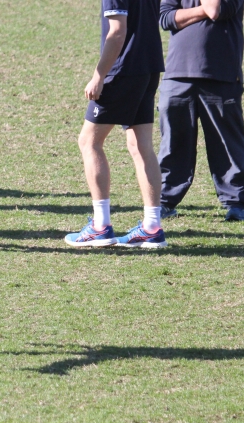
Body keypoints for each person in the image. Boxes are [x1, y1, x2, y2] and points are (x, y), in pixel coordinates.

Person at [64, 0, 168, 248]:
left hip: (123, 70)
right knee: (140, 145)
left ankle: (100, 227)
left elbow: (117, 31)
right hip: (149, 67)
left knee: (89, 142)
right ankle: (152, 227)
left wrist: (98, 76)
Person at [158, 0, 244, 221]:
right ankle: (164, 201)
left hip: (221, 75)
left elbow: (217, 10)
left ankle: (236, 203)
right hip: (177, 74)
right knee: (172, 142)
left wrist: (189, 14)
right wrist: (201, 11)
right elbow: (166, 18)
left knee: (226, 143)